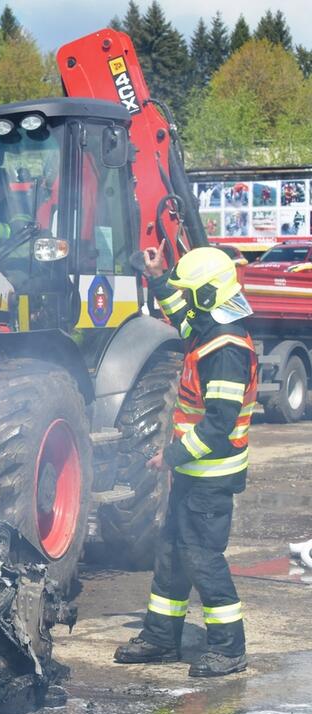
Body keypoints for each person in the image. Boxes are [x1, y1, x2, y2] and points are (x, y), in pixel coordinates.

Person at [114, 245, 257, 678]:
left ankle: (229, 648)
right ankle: (160, 638)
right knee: (173, 554)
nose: (187, 303)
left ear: (210, 296)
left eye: (192, 294)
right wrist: (158, 276)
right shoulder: (209, 328)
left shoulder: (227, 352)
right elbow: (181, 314)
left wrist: (170, 455)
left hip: (211, 478)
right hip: (193, 475)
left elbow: (218, 425)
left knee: (203, 559)